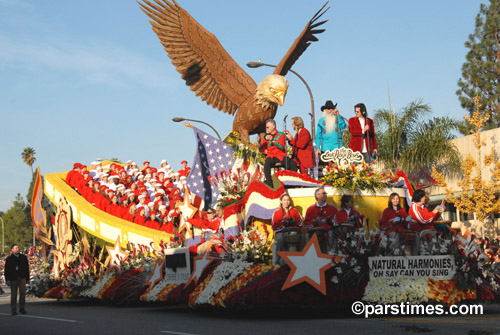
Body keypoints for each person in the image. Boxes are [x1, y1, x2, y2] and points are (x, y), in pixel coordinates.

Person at [260, 119, 297, 187]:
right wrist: (261, 144)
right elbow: (261, 149)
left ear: (273, 126)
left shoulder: (281, 134)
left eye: (268, 127)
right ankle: (269, 182)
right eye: (266, 127)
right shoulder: (266, 136)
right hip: (271, 156)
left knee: (292, 163)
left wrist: (273, 140)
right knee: (267, 164)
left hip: (281, 155)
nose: (266, 129)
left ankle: (292, 182)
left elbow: (282, 146)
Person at [271, 193, 303, 265]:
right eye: (284, 200)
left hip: (293, 232)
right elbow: (274, 227)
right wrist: (283, 222)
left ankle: (297, 262)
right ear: (281, 201)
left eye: (288, 200)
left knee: (301, 237)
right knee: (280, 239)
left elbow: (301, 223)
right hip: (281, 233)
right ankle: (278, 261)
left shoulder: (294, 211)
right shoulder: (276, 213)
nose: (286, 202)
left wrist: (293, 222)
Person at [315, 100, 347, 165]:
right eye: (329, 109)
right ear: (325, 110)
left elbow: (343, 126)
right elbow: (318, 136)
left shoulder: (338, 118)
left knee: (339, 169)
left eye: (332, 108)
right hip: (325, 149)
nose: (330, 110)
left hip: (338, 148)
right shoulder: (321, 121)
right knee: (325, 169)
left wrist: (338, 116)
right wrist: (317, 148)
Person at [5, 244, 30, 315]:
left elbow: (26, 268)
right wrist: (7, 280)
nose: (17, 249)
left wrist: (27, 278)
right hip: (13, 278)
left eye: (18, 248)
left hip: (22, 277)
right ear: (12, 250)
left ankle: (22, 308)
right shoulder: (9, 259)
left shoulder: (23, 258)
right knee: (14, 295)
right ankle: (13, 310)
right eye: (15, 248)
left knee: (23, 293)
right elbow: (6, 270)